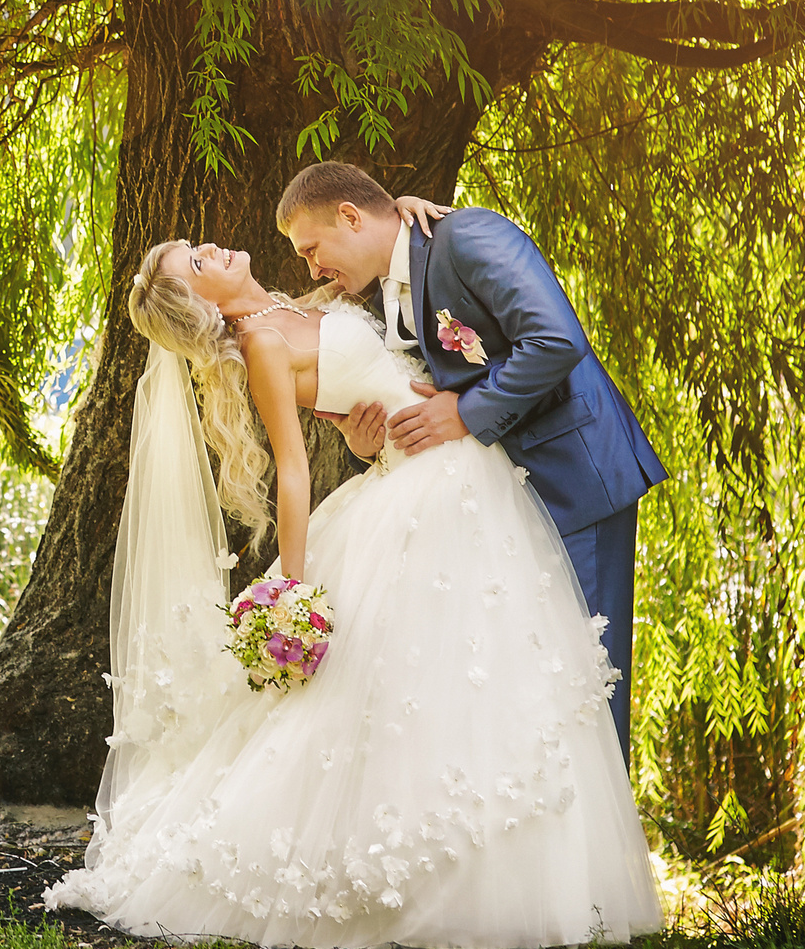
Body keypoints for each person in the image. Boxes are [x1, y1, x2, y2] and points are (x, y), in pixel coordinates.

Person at [42, 229, 660, 949]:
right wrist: (292, 590)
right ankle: (446, 882)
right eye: (199, 262)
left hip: (449, 466)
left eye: (201, 245)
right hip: (425, 484)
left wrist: (368, 434)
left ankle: (530, 863)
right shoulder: (264, 344)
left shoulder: (292, 304)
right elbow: (294, 469)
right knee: (439, 676)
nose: (214, 248)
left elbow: (356, 407)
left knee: (483, 668)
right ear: (199, 304)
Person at [279, 162, 663, 758]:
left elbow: (556, 339)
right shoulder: (388, 289)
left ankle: (596, 848)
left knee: (589, 677)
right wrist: (369, 440)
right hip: (498, 501)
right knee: (532, 685)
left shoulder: (466, 236)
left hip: (571, 480)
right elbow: (428, 384)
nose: (312, 269)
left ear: (351, 216)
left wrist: (465, 413)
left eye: (312, 249)